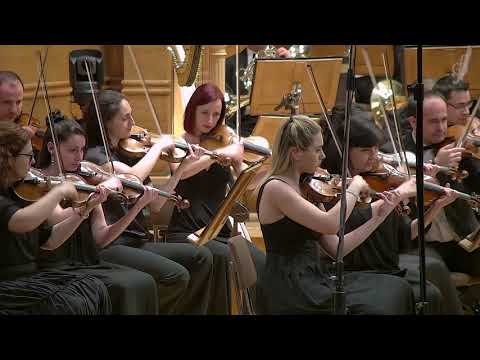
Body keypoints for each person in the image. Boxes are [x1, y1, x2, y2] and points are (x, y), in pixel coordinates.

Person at [255, 114, 415, 314]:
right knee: (381, 303)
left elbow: (338, 248)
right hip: (291, 288)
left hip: (313, 277)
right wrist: (355, 185)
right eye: (317, 149)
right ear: (295, 152)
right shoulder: (277, 188)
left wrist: (380, 215)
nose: (323, 155)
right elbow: (330, 224)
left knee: (397, 288)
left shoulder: (307, 186)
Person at [84, 90, 213, 314]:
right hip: (114, 244)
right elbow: (131, 178)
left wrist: (182, 166)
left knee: (201, 256)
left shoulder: (128, 153)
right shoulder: (95, 157)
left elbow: (156, 205)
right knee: (176, 275)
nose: (132, 123)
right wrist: (158, 146)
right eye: (125, 118)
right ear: (105, 123)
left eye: (131, 115)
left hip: (136, 239)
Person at [322, 110, 463, 314]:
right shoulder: (333, 191)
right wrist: (398, 193)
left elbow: (408, 234)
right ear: (343, 150)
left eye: (376, 148)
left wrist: (436, 207)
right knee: (430, 294)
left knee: (435, 278)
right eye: (365, 150)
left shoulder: (376, 183)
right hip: (357, 274)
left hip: (385, 267)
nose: (375, 156)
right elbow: (345, 234)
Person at [36, 117, 159, 314]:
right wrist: (93, 198)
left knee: (145, 282)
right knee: (129, 286)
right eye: (72, 150)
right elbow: (56, 218)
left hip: (87, 261)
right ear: (51, 148)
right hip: (57, 266)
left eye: (82, 149)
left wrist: (138, 206)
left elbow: (102, 237)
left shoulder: (83, 181)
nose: (79, 157)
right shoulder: (39, 182)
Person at [166, 83, 266, 314]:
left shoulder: (223, 139)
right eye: (205, 113)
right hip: (187, 229)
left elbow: (243, 184)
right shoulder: (178, 143)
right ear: (192, 110)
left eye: (216, 114)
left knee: (259, 262)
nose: (210, 120)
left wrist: (245, 162)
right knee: (223, 258)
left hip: (219, 227)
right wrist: (216, 157)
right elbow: (181, 172)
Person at [0, 121, 111, 314]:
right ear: (8, 158)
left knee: (94, 287)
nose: (33, 162)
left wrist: (84, 211)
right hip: (7, 283)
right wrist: (58, 192)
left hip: (28, 277)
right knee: (70, 304)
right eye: (28, 156)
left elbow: (50, 241)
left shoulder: (21, 191)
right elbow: (20, 222)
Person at [384, 91, 480, 278]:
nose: (442, 128)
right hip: (423, 242)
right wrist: (438, 166)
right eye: (433, 121)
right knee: (436, 273)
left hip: (461, 236)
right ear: (413, 122)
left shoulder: (456, 144)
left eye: (444, 120)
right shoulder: (395, 154)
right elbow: (407, 205)